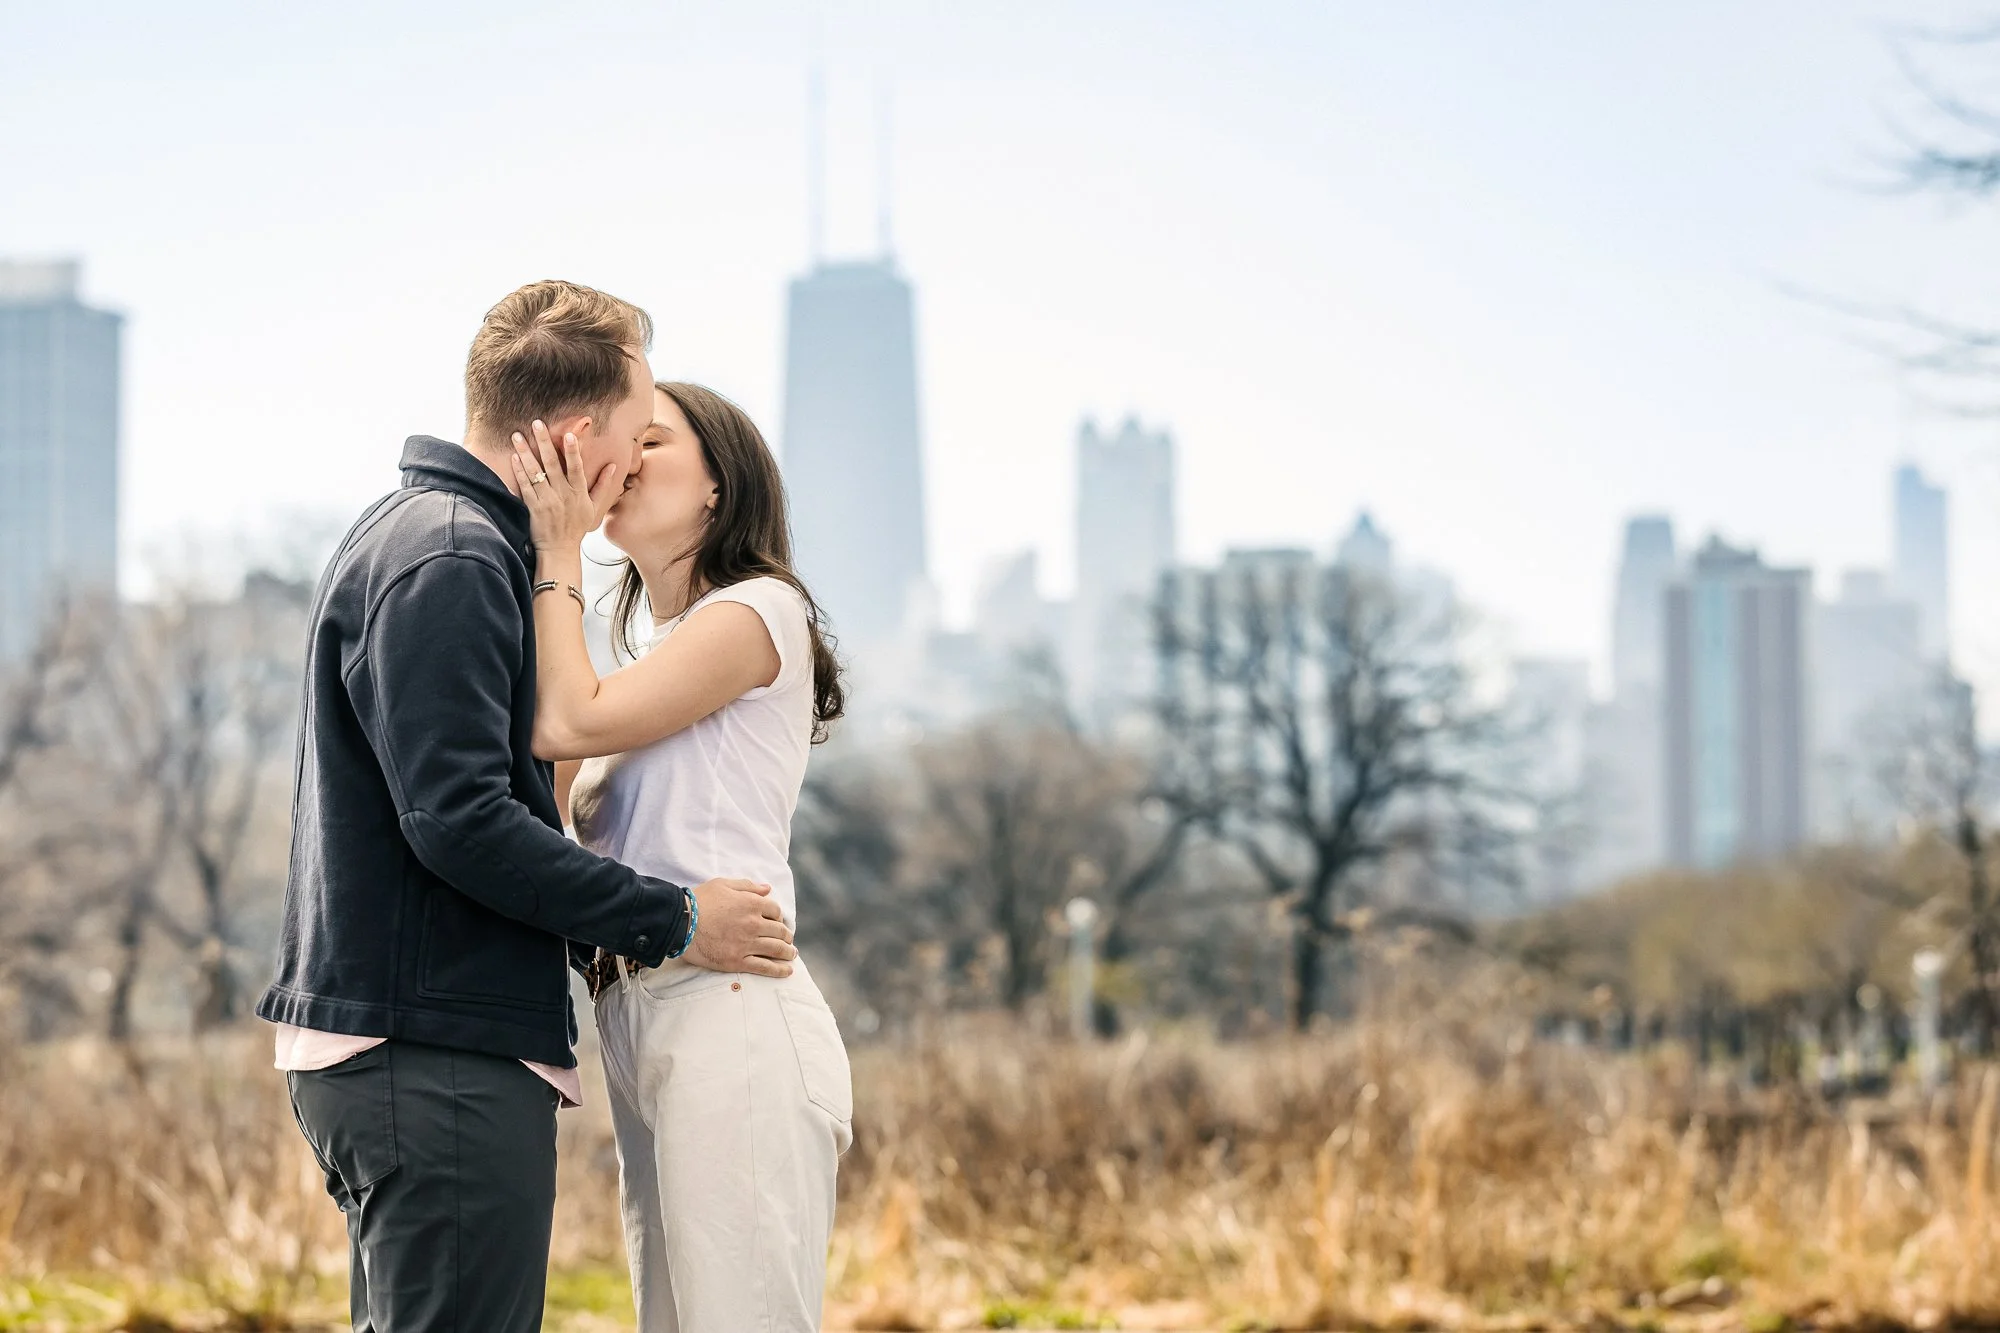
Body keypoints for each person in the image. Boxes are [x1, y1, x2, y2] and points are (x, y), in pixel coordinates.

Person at [255, 282, 798, 1333]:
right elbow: (458, 819)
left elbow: (518, 786)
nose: (632, 469)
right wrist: (675, 918)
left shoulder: (439, 539)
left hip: (417, 1044)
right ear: (577, 436)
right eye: (635, 439)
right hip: (434, 1052)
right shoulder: (454, 553)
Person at [507, 381, 852, 1333]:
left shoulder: (759, 613)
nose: (621, 460)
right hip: (637, 1015)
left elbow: (566, 719)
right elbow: (542, 776)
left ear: (718, 486)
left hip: (730, 1009)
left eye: (651, 442)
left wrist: (557, 545)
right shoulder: (643, 668)